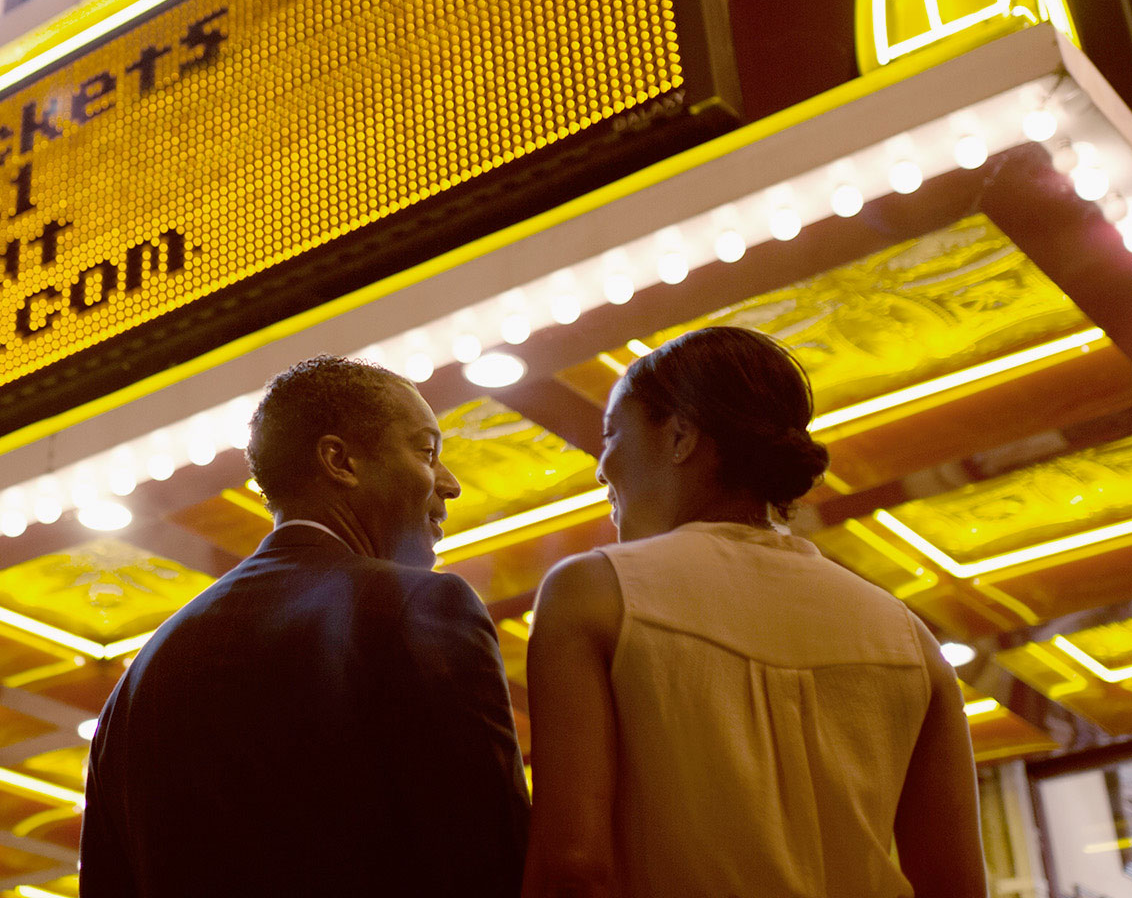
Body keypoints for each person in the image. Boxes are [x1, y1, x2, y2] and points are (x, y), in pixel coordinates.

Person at [521, 326, 988, 898]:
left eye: (611, 435)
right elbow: (957, 888)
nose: (601, 468)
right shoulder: (910, 639)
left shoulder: (594, 593)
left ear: (680, 437)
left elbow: (572, 866)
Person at [81, 355, 530, 898]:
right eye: (427, 451)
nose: (450, 484)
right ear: (339, 461)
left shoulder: (141, 678)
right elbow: (493, 856)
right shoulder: (420, 606)